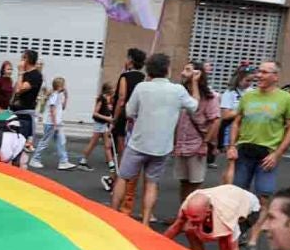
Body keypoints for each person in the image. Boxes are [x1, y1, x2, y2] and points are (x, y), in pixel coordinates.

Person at [224, 61, 290, 250]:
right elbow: (236, 122)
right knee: (239, 195)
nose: (260, 75)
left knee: (264, 198)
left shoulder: (286, 99)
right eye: (259, 71)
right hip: (245, 151)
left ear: (276, 76)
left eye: (265, 72)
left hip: (267, 154)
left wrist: (277, 154)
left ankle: (252, 241)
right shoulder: (248, 96)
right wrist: (232, 145)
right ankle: (238, 232)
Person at [114, 52, 196, 227]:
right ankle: (145, 222)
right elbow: (194, 106)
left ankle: (112, 215)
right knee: (152, 183)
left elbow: (129, 112)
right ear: (167, 69)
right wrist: (194, 83)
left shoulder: (142, 88)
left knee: (123, 177)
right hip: (162, 146)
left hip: (138, 142)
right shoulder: (178, 90)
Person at [163, 184, 259, 250]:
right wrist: (156, 245)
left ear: (208, 212)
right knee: (189, 229)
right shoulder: (188, 204)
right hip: (227, 196)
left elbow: (232, 249)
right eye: (190, 216)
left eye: (195, 217)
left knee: (225, 242)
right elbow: (176, 227)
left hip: (249, 209)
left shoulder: (225, 218)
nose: (191, 219)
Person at [172, 65, 222, 205]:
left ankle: (192, 217)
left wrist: (205, 143)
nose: (183, 72)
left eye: (188, 69)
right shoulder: (182, 93)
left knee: (195, 184)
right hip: (182, 144)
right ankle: (182, 214)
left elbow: (216, 120)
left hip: (197, 144)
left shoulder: (209, 96)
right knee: (183, 182)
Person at [34, 77, 71, 170]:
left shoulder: (58, 95)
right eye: (64, 85)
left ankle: (64, 161)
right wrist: (55, 124)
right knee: (45, 142)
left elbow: (62, 108)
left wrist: (66, 97)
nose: (65, 87)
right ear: (60, 87)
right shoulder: (54, 96)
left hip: (56, 123)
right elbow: (52, 110)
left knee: (61, 142)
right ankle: (35, 159)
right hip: (51, 123)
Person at [80, 83, 116, 173]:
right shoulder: (101, 99)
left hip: (104, 125)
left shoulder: (109, 100)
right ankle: (82, 162)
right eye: (112, 89)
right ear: (108, 90)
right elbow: (95, 113)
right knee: (93, 143)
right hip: (99, 124)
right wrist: (107, 118)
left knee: (108, 145)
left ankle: (112, 165)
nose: (114, 90)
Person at [11, 49, 44, 137]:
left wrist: (20, 72)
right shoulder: (24, 74)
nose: (20, 61)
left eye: (22, 58)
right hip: (16, 113)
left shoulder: (35, 75)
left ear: (27, 60)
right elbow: (15, 92)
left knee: (19, 144)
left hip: (24, 116)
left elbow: (19, 90)